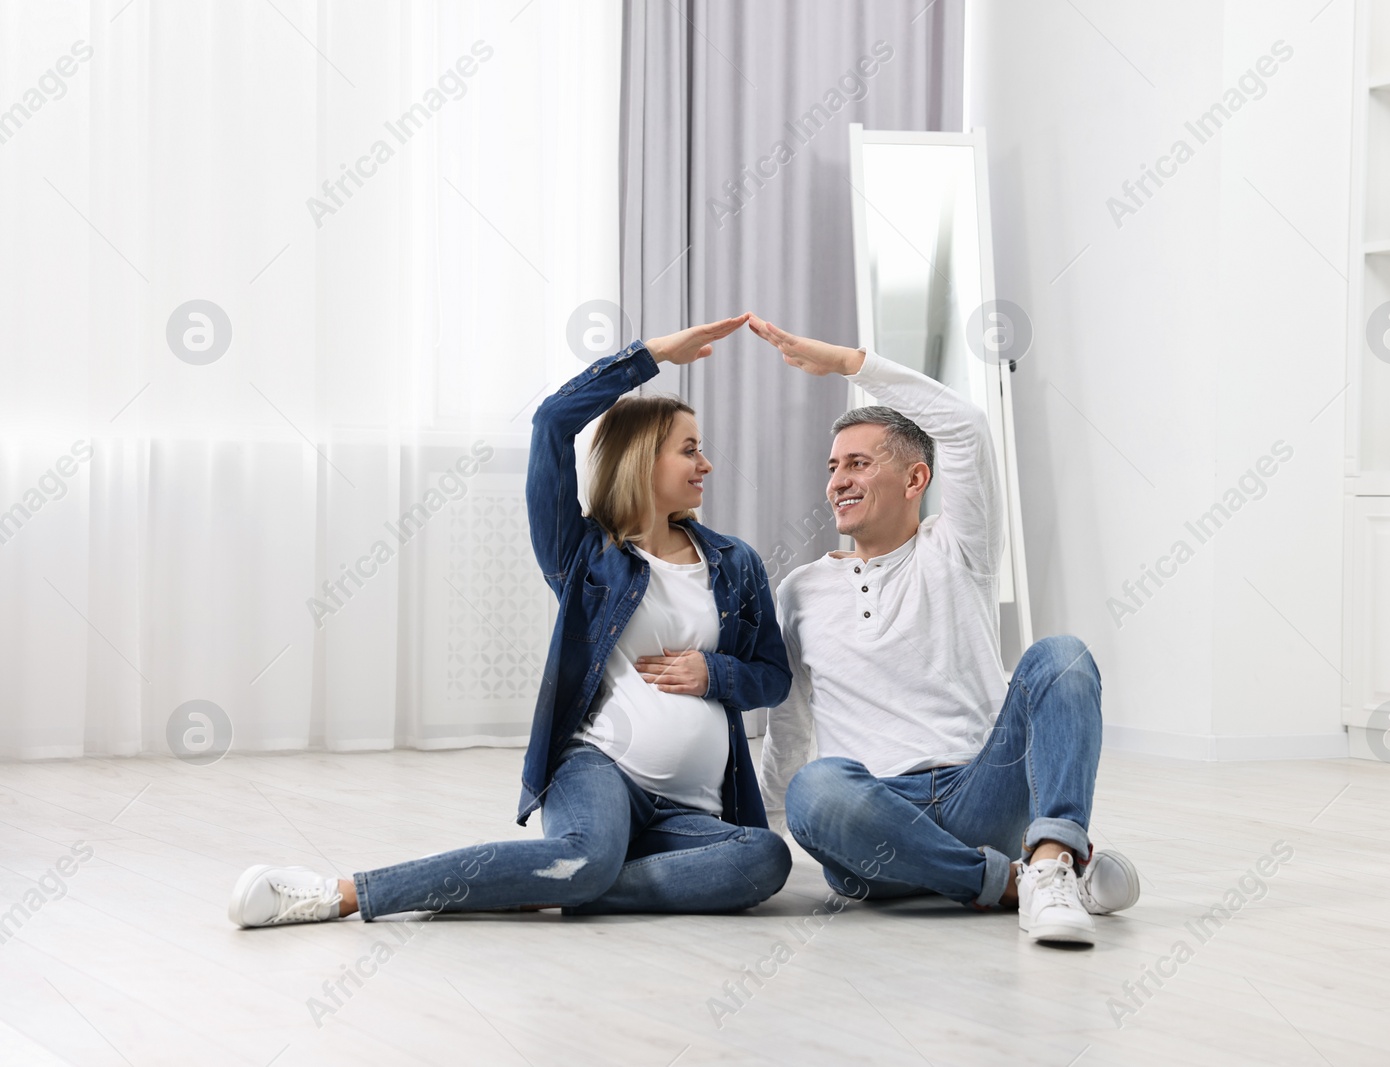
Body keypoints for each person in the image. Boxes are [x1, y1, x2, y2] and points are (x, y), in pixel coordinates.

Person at [229, 314, 794, 927]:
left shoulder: (735, 563)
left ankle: (561, 881)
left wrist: (715, 673)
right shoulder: (586, 557)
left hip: (694, 808)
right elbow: (552, 422)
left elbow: (772, 676)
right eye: (690, 449)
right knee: (587, 857)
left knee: (762, 859)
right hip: (600, 769)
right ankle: (342, 893)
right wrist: (650, 355)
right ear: (642, 459)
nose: (706, 463)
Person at [748, 315, 1139, 945]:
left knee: (1062, 657)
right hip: (874, 824)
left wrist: (850, 364)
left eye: (858, 463)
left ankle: (1045, 859)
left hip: (979, 793)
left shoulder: (958, 549)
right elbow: (789, 727)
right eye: (833, 466)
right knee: (814, 787)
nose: (838, 480)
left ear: (914, 479)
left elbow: (965, 425)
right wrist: (762, 837)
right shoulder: (799, 590)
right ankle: (1026, 880)